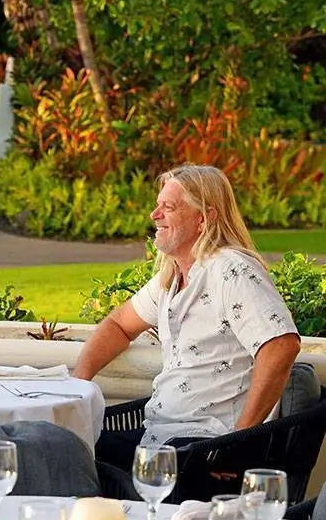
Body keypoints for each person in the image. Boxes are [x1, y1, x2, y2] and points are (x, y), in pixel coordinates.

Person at [74, 164, 300, 470]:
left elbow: (281, 345)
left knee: (62, 454)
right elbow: (118, 325)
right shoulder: (172, 277)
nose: (155, 215)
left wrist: (238, 442)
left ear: (204, 218)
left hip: (203, 447)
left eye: (168, 207)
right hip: (158, 437)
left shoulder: (230, 269)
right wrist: (78, 382)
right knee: (60, 443)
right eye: (158, 206)